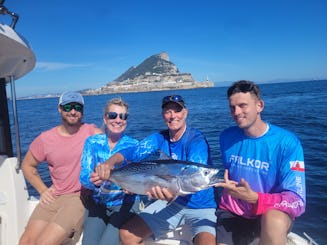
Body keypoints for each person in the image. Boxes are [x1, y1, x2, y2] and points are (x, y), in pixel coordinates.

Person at [96, 94, 217, 245]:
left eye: (177, 110)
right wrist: (109, 164)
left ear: (185, 112)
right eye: (168, 111)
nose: (173, 116)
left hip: (201, 206)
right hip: (171, 203)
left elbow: (195, 170)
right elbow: (133, 152)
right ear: (163, 115)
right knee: (127, 235)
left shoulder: (196, 139)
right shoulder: (159, 138)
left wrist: (170, 189)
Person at [215, 80, 306, 245]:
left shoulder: (287, 143)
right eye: (232, 107)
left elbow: (297, 201)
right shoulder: (226, 137)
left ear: (259, 106)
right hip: (231, 211)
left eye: (243, 105)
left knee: (275, 219)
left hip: (266, 213)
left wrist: (255, 198)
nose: (236, 112)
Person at [19, 91, 102, 245]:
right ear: (60, 109)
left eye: (77, 107)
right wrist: (43, 190)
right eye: (68, 107)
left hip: (79, 197)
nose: (72, 111)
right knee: (25, 242)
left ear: (82, 110)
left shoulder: (92, 133)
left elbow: (113, 148)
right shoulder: (45, 139)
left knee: (44, 243)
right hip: (54, 195)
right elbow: (27, 165)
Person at [80, 97, 140, 245]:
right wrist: (94, 180)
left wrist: (133, 188)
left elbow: (139, 177)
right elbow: (83, 175)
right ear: (105, 119)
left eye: (123, 116)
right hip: (99, 203)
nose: (118, 120)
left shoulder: (134, 145)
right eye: (113, 115)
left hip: (124, 204)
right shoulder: (92, 142)